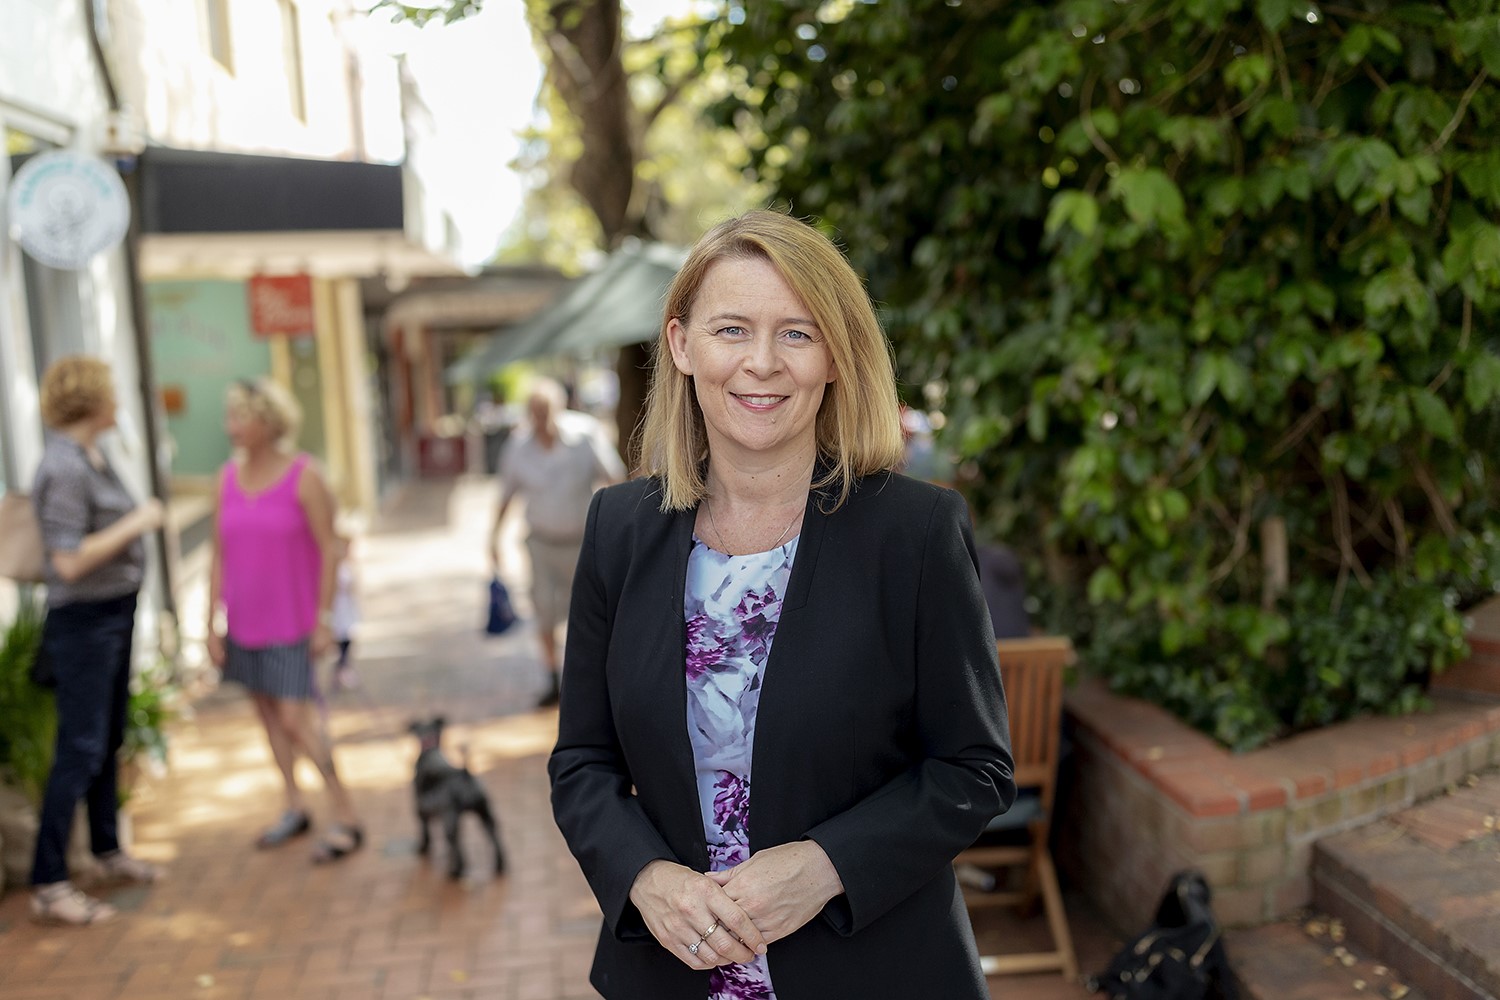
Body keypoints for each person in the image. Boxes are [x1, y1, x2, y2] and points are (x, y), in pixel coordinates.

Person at [548, 210, 1016, 1000]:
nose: (761, 363)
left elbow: (975, 769)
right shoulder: (617, 531)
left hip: (875, 969)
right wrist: (644, 877)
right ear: (681, 346)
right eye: (732, 329)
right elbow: (582, 764)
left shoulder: (916, 533)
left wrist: (828, 865)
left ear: (834, 356)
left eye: (797, 334)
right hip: (670, 973)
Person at [29, 355, 164, 925]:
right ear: (91, 400)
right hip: (85, 622)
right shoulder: (63, 466)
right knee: (79, 749)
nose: (119, 401)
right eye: (111, 392)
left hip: (114, 613)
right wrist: (139, 523)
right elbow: (69, 560)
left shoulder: (94, 456)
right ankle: (49, 880)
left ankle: (106, 850)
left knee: (106, 736)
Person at [205, 376, 363, 863]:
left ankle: (346, 814)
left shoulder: (304, 475)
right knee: (269, 715)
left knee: (297, 719)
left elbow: (330, 549)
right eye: (230, 415)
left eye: (241, 415)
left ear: (267, 421)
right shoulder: (225, 479)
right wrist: (209, 620)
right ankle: (294, 804)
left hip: (293, 623)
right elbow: (218, 555)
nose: (232, 425)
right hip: (245, 623)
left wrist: (323, 618)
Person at [488, 378, 625, 708]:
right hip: (541, 543)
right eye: (533, 412)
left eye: (544, 411)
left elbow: (615, 480)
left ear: (559, 408)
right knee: (544, 613)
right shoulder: (518, 447)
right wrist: (493, 538)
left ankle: (596, 678)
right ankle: (553, 677)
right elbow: (506, 496)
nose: (539, 418)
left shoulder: (585, 435)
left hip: (582, 542)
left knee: (591, 612)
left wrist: (621, 529)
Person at [329, 530, 359, 691]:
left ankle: (342, 669)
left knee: (346, 640)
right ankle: (342, 670)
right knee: (341, 641)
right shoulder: (335, 569)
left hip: (346, 608)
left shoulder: (347, 566)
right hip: (338, 610)